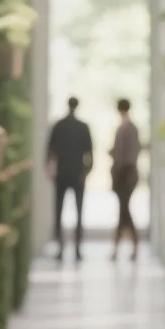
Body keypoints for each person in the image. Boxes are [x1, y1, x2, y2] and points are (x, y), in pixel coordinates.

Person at [45, 97, 93, 260]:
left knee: (59, 210)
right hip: (77, 174)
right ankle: (77, 248)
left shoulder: (59, 126)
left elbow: (49, 151)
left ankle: (60, 246)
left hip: (62, 173)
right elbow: (90, 154)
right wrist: (86, 171)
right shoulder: (83, 127)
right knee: (79, 211)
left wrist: (49, 169)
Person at [108, 99, 142, 260]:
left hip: (125, 175)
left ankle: (126, 246)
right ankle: (124, 247)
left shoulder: (125, 128)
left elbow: (123, 156)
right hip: (129, 173)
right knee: (124, 211)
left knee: (124, 211)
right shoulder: (131, 128)